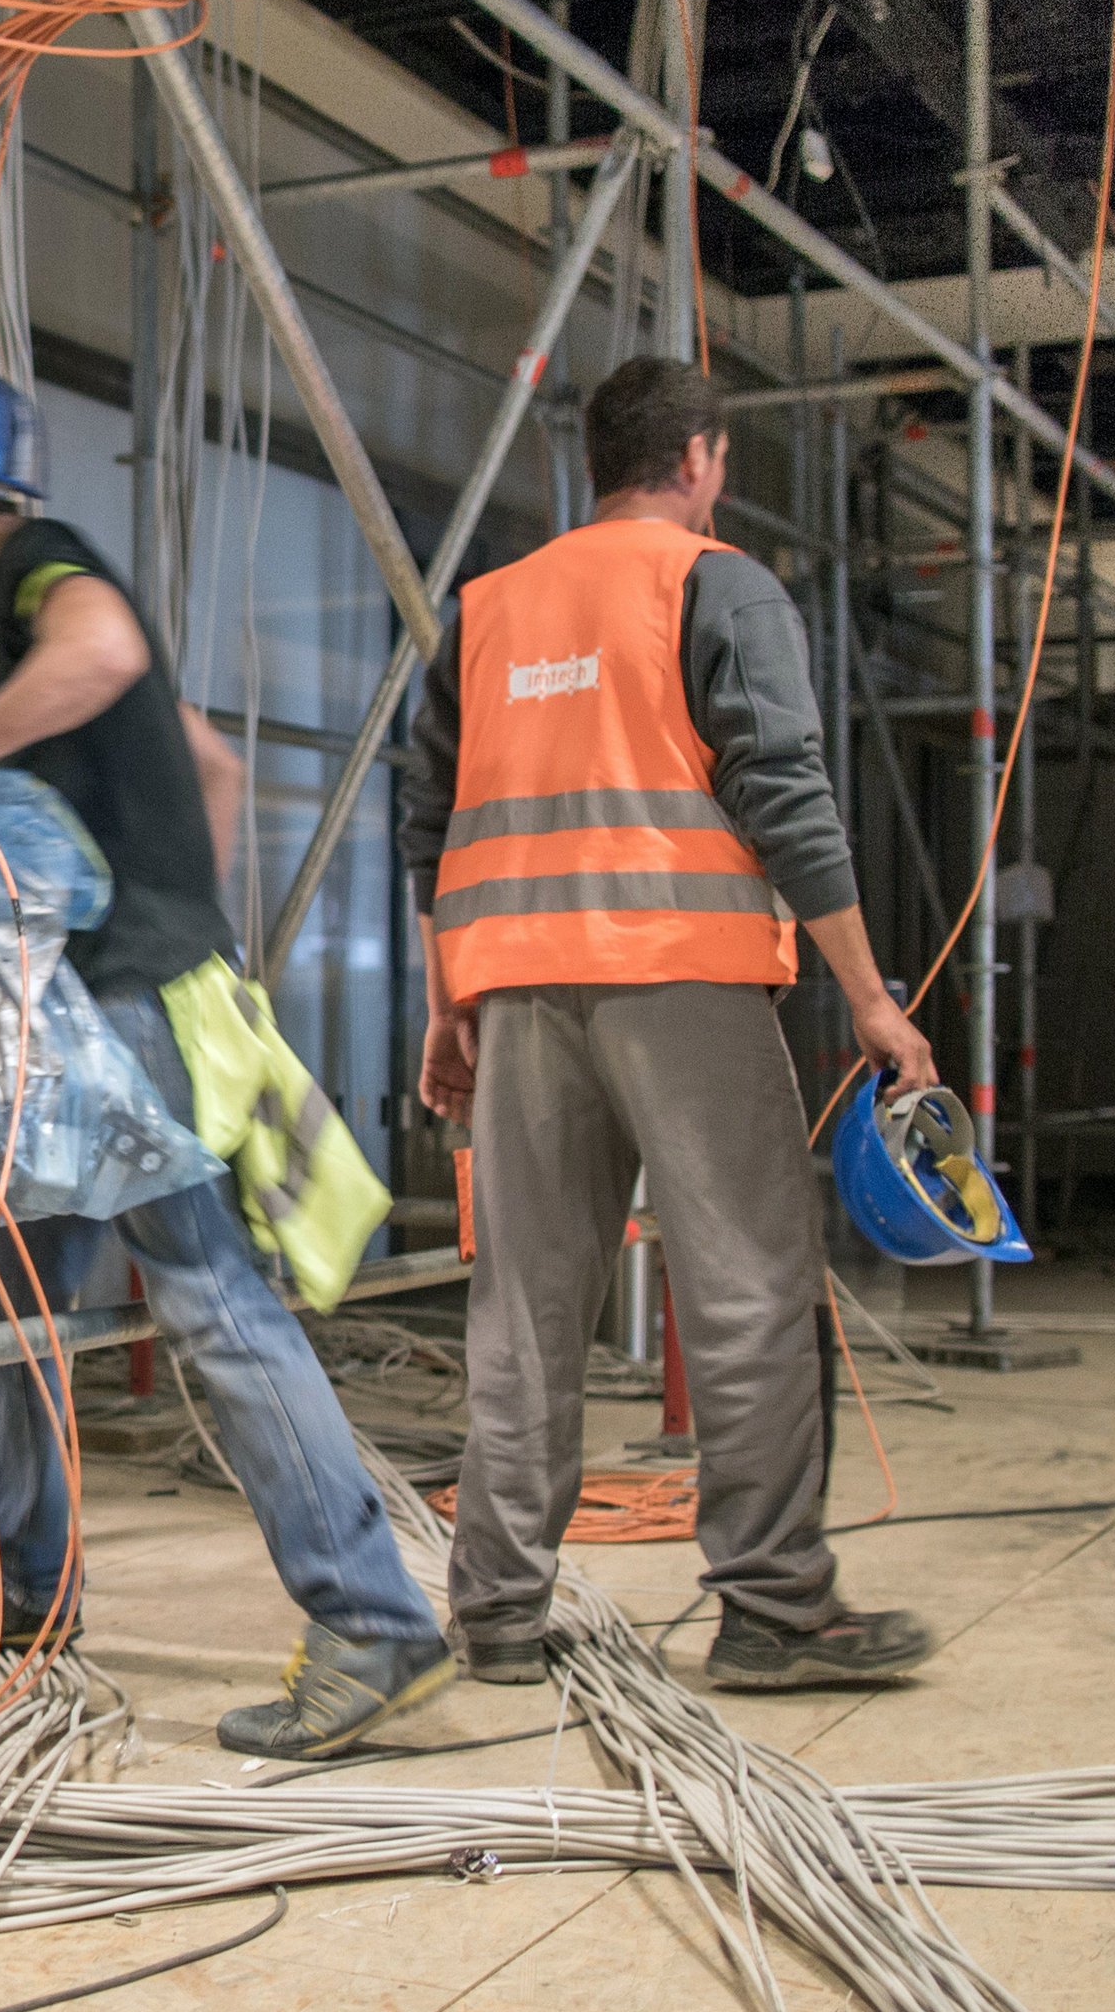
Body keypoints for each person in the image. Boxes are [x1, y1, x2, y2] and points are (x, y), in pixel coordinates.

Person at [0, 365, 454, 1759]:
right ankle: (19, 1581)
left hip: (117, 1026)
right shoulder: (32, 614)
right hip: (116, 1011)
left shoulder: (46, 573)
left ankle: (373, 1624)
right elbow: (210, 761)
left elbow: (109, 653)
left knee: (212, 1305)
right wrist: (193, 929)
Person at [399, 357, 941, 1693]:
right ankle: (771, 1610)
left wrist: (447, 1006)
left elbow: (426, 827)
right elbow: (785, 791)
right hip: (686, 982)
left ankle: (502, 1613)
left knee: (523, 1308)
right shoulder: (717, 583)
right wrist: (871, 995)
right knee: (748, 1295)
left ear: (599, 461)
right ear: (698, 460)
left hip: (520, 1000)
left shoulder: (486, 610)